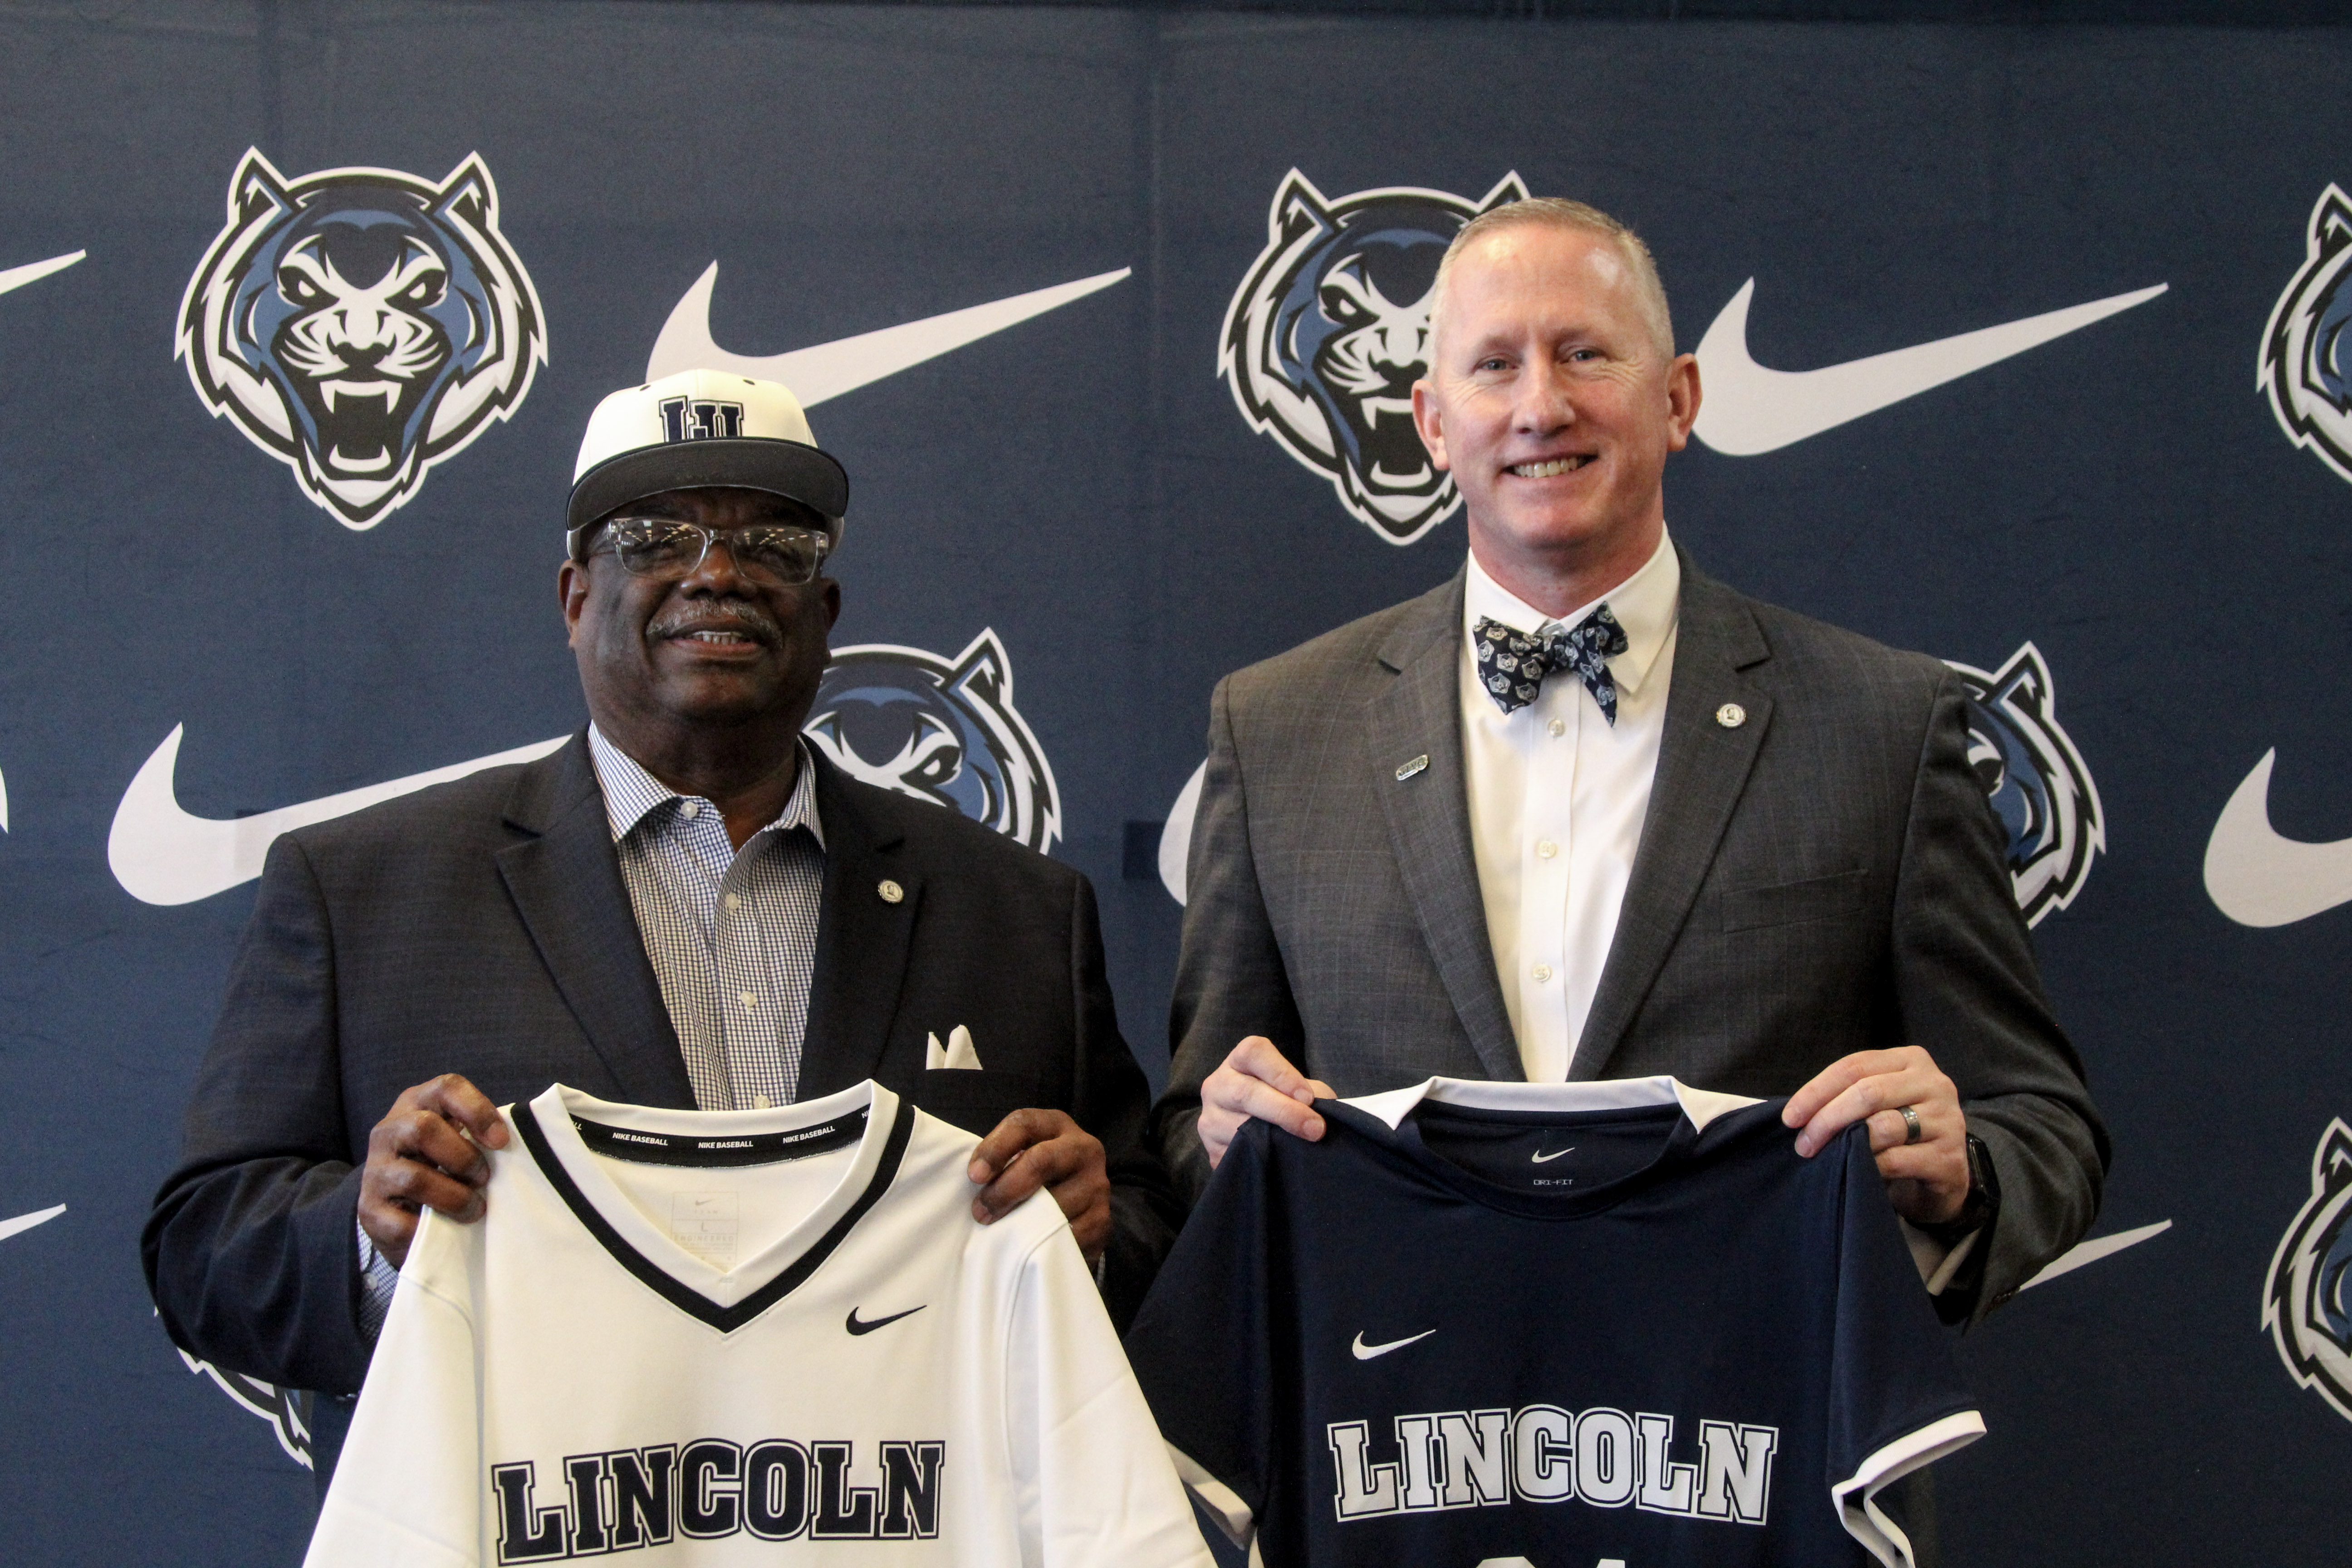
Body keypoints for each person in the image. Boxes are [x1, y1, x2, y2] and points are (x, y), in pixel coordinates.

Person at [145, 369, 1178, 1481]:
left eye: (777, 543)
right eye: (653, 537)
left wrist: (1100, 1240)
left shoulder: (1018, 911)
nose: (718, 573)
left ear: (823, 613)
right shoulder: (362, 892)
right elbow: (207, 1259)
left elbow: (1153, 1236)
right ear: (575, 597)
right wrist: (369, 1228)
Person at [1152, 199, 2107, 1325]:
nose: (1540, 406)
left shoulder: (1885, 724)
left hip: (1763, 1451)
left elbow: (2043, 1126)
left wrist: (1961, 1168)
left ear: (1680, 399)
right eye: (1494, 366)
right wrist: (1218, 1143)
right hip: (1390, 1453)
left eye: (1585, 354)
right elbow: (1181, 1137)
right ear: (1431, 422)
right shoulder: (1275, 730)